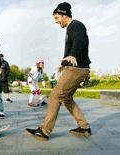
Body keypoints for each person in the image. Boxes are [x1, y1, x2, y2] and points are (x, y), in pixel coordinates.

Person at [25, 2, 92, 140]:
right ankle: (84, 127)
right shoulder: (70, 28)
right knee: (67, 98)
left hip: (77, 69)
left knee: (55, 95)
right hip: (76, 68)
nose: (55, 22)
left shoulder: (76, 25)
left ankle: (45, 131)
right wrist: (64, 61)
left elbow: (80, 41)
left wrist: (73, 54)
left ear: (64, 15)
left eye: (57, 18)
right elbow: (74, 45)